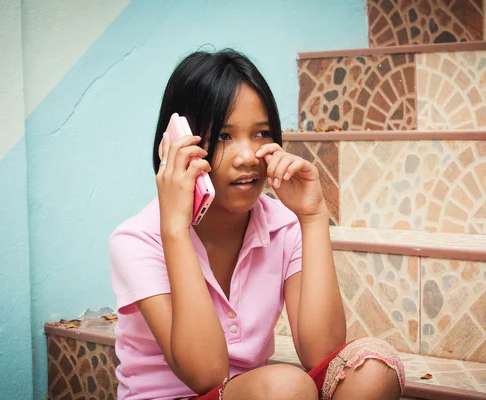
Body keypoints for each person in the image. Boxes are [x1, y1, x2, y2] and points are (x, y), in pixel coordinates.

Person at [109, 49, 405, 400]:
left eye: (262, 133)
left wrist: (312, 219)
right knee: (285, 387)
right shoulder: (137, 240)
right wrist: (174, 229)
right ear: (176, 144)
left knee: (372, 369)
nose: (248, 156)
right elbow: (207, 375)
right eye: (223, 136)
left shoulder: (282, 225)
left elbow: (322, 351)